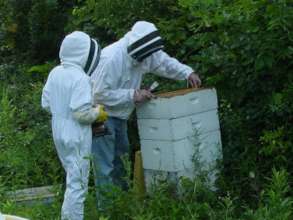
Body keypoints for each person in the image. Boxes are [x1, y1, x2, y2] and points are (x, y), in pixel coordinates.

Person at [90, 21, 201, 206]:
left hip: (120, 116)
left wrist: (187, 73)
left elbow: (164, 63)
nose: (148, 60)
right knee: (104, 166)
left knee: (122, 162)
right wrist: (134, 94)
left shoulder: (145, 52)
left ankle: (122, 206)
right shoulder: (111, 59)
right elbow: (98, 94)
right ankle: (107, 211)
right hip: (99, 116)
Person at [41, 31, 107, 220]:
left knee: (72, 178)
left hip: (58, 129)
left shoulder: (55, 72)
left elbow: (45, 104)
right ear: (84, 54)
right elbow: (80, 114)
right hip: (75, 134)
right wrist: (97, 112)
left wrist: (62, 110)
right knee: (78, 185)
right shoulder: (80, 78)